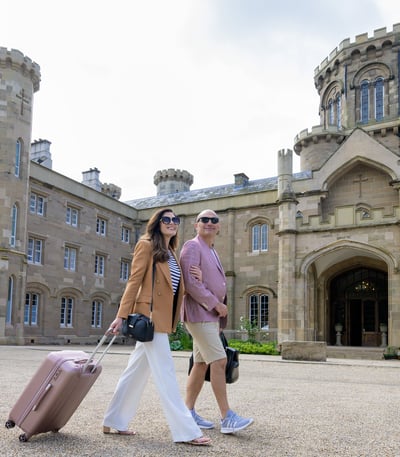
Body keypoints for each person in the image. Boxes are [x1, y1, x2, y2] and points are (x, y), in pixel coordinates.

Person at [103, 208, 211, 446]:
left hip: (163, 319)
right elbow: (134, 281)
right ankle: (187, 431)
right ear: (157, 223)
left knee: (135, 372)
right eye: (167, 219)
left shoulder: (171, 251)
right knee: (166, 373)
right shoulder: (146, 245)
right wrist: (121, 316)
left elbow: (176, 287)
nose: (172, 223)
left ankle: (114, 420)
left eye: (175, 220)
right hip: (149, 318)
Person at [180, 209, 254, 434]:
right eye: (204, 219)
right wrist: (216, 304)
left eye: (214, 220)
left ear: (219, 226)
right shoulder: (192, 246)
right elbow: (191, 284)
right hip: (200, 314)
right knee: (220, 362)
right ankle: (227, 417)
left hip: (209, 317)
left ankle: (187, 413)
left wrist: (216, 301)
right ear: (196, 224)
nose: (209, 223)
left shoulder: (212, 250)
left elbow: (206, 280)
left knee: (201, 364)